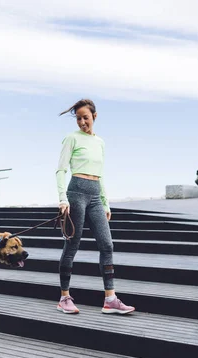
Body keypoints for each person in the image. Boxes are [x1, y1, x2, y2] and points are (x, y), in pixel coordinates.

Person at [56, 98, 135, 315]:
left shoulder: (100, 142)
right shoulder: (71, 139)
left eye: (86, 118)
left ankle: (110, 299)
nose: (82, 122)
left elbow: (100, 176)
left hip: (95, 195)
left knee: (107, 245)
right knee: (72, 246)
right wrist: (63, 199)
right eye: (79, 118)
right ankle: (64, 298)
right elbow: (61, 170)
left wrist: (105, 202)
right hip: (76, 193)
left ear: (95, 116)